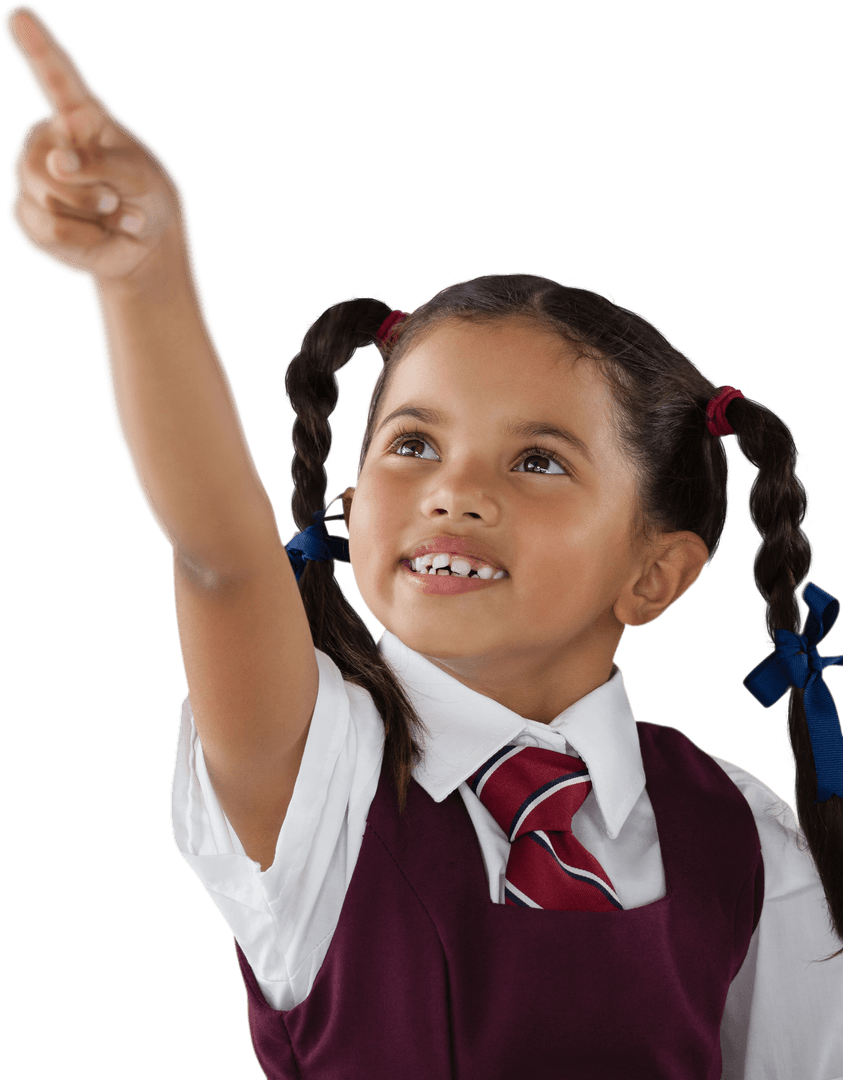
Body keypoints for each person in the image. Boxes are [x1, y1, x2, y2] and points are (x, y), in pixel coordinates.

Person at [4, 4, 842, 1077]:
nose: (453, 493)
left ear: (656, 572)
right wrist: (143, 280)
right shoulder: (320, 776)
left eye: (537, 461)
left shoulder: (744, 837)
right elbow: (221, 559)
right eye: (412, 444)